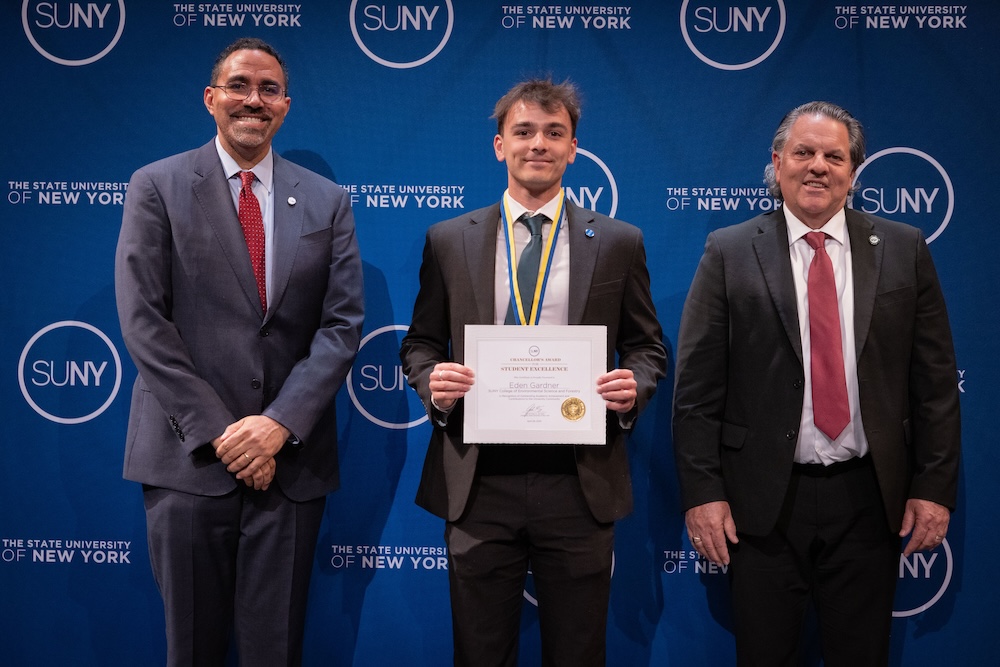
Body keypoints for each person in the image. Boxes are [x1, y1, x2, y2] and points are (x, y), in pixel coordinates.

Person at [672, 101, 961, 666]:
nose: (818, 166)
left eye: (835, 156)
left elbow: (935, 385)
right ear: (777, 163)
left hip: (870, 499)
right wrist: (704, 494)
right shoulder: (729, 251)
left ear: (854, 171)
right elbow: (697, 391)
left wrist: (933, 487)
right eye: (804, 153)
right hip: (761, 505)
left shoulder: (904, 249)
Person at [399, 78, 666, 666]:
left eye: (554, 133)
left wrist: (633, 386)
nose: (537, 144)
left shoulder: (618, 241)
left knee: (577, 652)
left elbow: (647, 348)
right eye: (523, 132)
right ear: (500, 145)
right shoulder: (448, 240)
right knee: (480, 652)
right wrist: (432, 384)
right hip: (478, 479)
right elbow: (419, 343)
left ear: (574, 148)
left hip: (578, 479)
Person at [115, 37, 364, 666]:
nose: (254, 100)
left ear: (285, 105)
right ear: (212, 98)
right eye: (239, 86)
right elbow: (144, 320)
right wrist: (225, 435)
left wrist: (277, 427)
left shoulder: (326, 202)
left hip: (289, 469)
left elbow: (340, 328)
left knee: (274, 652)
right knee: (191, 650)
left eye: (269, 90)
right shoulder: (158, 186)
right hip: (187, 461)